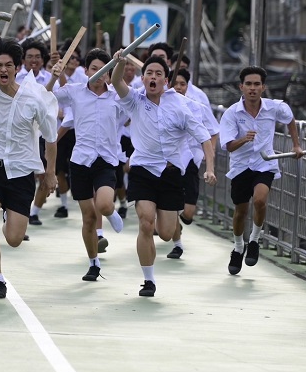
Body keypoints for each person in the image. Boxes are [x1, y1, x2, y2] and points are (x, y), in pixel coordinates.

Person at [110, 51, 216, 297]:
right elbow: (116, 81)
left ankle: (168, 229)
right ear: (143, 78)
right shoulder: (135, 100)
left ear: (165, 81)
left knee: (166, 234)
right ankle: (148, 280)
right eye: (149, 73)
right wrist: (119, 63)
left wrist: (210, 168)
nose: (153, 77)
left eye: (158, 74)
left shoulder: (180, 105)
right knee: (146, 222)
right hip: (143, 171)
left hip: (170, 174)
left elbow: (204, 138)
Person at [0, 37, 57, 298]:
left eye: (8, 65)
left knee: (14, 239)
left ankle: (9, 215)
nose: (3, 70)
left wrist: (50, 173)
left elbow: (51, 138)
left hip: (21, 172)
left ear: (17, 67)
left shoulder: (33, 99)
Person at [49, 48, 127, 281]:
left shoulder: (117, 96)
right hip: (81, 161)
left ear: (109, 74)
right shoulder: (75, 91)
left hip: (106, 161)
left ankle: (111, 212)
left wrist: (121, 64)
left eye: (104, 70)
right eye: (94, 69)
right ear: (86, 71)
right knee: (89, 218)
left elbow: (137, 103)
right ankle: (94, 263)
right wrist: (54, 75)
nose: (99, 74)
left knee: (103, 204)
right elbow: (46, 96)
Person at [219, 66, 304, 275]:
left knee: (259, 200)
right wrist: (244, 139)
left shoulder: (274, 107)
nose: (252, 88)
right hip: (240, 166)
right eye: (248, 84)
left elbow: (290, 119)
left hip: (264, 163)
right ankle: (238, 247)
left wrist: (296, 145)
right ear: (241, 87)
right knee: (240, 212)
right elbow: (229, 146)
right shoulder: (231, 113)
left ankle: (255, 239)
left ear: (263, 87)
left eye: (257, 84)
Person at [166, 68, 220, 258]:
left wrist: (209, 158)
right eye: (175, 84)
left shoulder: (196, 106)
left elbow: (212, 131)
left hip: (191, 160)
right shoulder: (158, 103)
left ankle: (179, 220)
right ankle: (177, 244)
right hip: (168, 161)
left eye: (183, 84)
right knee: (171, 206)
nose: (179, 87)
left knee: (188, 212)